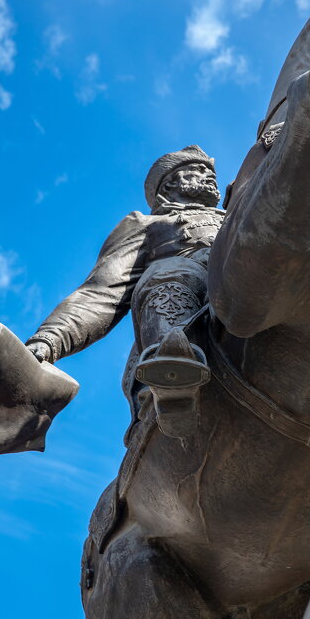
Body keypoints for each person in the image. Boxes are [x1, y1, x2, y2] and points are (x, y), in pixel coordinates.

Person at [26, 145, 224, 438]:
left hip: (250, 288)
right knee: (167, 271)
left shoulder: (241, 214)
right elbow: (101, 293)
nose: (210, 177)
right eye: (198, 170)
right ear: (171, 182)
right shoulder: (147, 225)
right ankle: (174, 374)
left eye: (211, 172)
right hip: (189, 304)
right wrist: (48, 340)